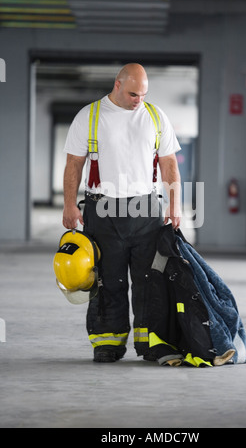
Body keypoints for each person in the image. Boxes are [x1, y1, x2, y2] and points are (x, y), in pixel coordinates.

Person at [62, 63, 182, 363]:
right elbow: (74, 164)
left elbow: (169, 164)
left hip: (146, 211)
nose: (137, 100)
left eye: (143, 94)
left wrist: (174, 203)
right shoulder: (89, 117)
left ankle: (151, 342)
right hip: (102, 212)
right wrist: (68, 204)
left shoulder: (155, 117)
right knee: (107, 280)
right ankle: (108, 343)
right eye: (132, 93)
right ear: (117, 85)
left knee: (149, 280)